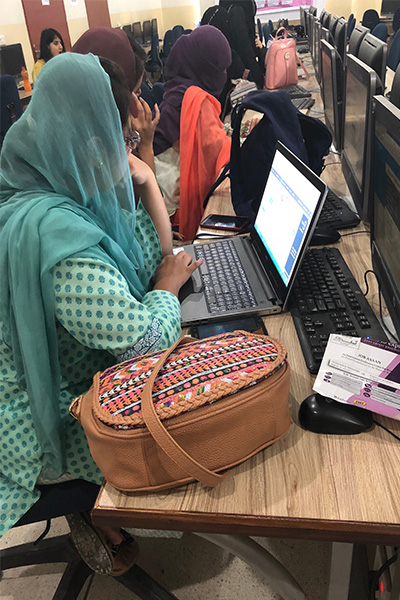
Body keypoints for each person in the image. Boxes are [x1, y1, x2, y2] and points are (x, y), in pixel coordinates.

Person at [0, 52, 201, 573]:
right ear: (93, 147)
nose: (128, 149)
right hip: (38, 425)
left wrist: (146, 179)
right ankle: (88, 500)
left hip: (45, 384)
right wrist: (166, 289)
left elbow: (151, 256)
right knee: (198, 411)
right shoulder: (61, 243)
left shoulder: (41, 183)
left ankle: (92, 510)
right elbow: (145, 345)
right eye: (124, 139)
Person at [153, 25, 232, 240]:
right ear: (204, 67)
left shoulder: (176, 90)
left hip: (161, 202)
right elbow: (214, 150)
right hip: (173, 212)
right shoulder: (193, 100)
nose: (223, 76)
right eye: (219, 69)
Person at [72, 27, 159, 175]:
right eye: (135, 92)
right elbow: (144, 189)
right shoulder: (101, 150)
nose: (137, 101)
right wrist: (145, 146)